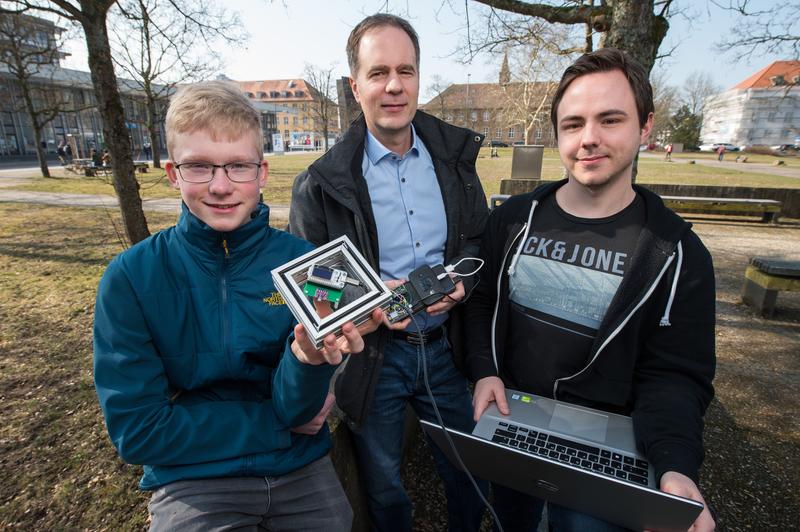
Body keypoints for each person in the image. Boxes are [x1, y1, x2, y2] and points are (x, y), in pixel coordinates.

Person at [93, 80, 382, 531]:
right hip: (192, 478)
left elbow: (300, 407)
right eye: (199, 167)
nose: (222, 186)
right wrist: (276, 423)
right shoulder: (130, 278)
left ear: (262, 173)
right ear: (173, 174)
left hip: (299, 469)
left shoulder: (304, 265)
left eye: (238, 167)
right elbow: (139, 432)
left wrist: (306, 360)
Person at [465, 48, 716, 532]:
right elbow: (481, 302)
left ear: (645, 127)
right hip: (516, 426)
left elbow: (677, 375)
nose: (589, 139)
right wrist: (484, 370)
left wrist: (675, 464)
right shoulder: (513, 219)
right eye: (573, 123)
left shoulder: (678, 253)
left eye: (610, 119)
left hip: (611, 449)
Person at [289, 13, 489, 532]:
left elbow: (477, 240)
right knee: (384, 489)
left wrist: (463, 282)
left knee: (471, 474)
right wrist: (373, 298)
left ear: (420, 79)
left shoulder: (455, 162)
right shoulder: (321, 183)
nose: (394, 85)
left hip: (446, 349)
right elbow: (313, 286)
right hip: (374, 361)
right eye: (378, 73)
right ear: (356, 87)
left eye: (406, 70)